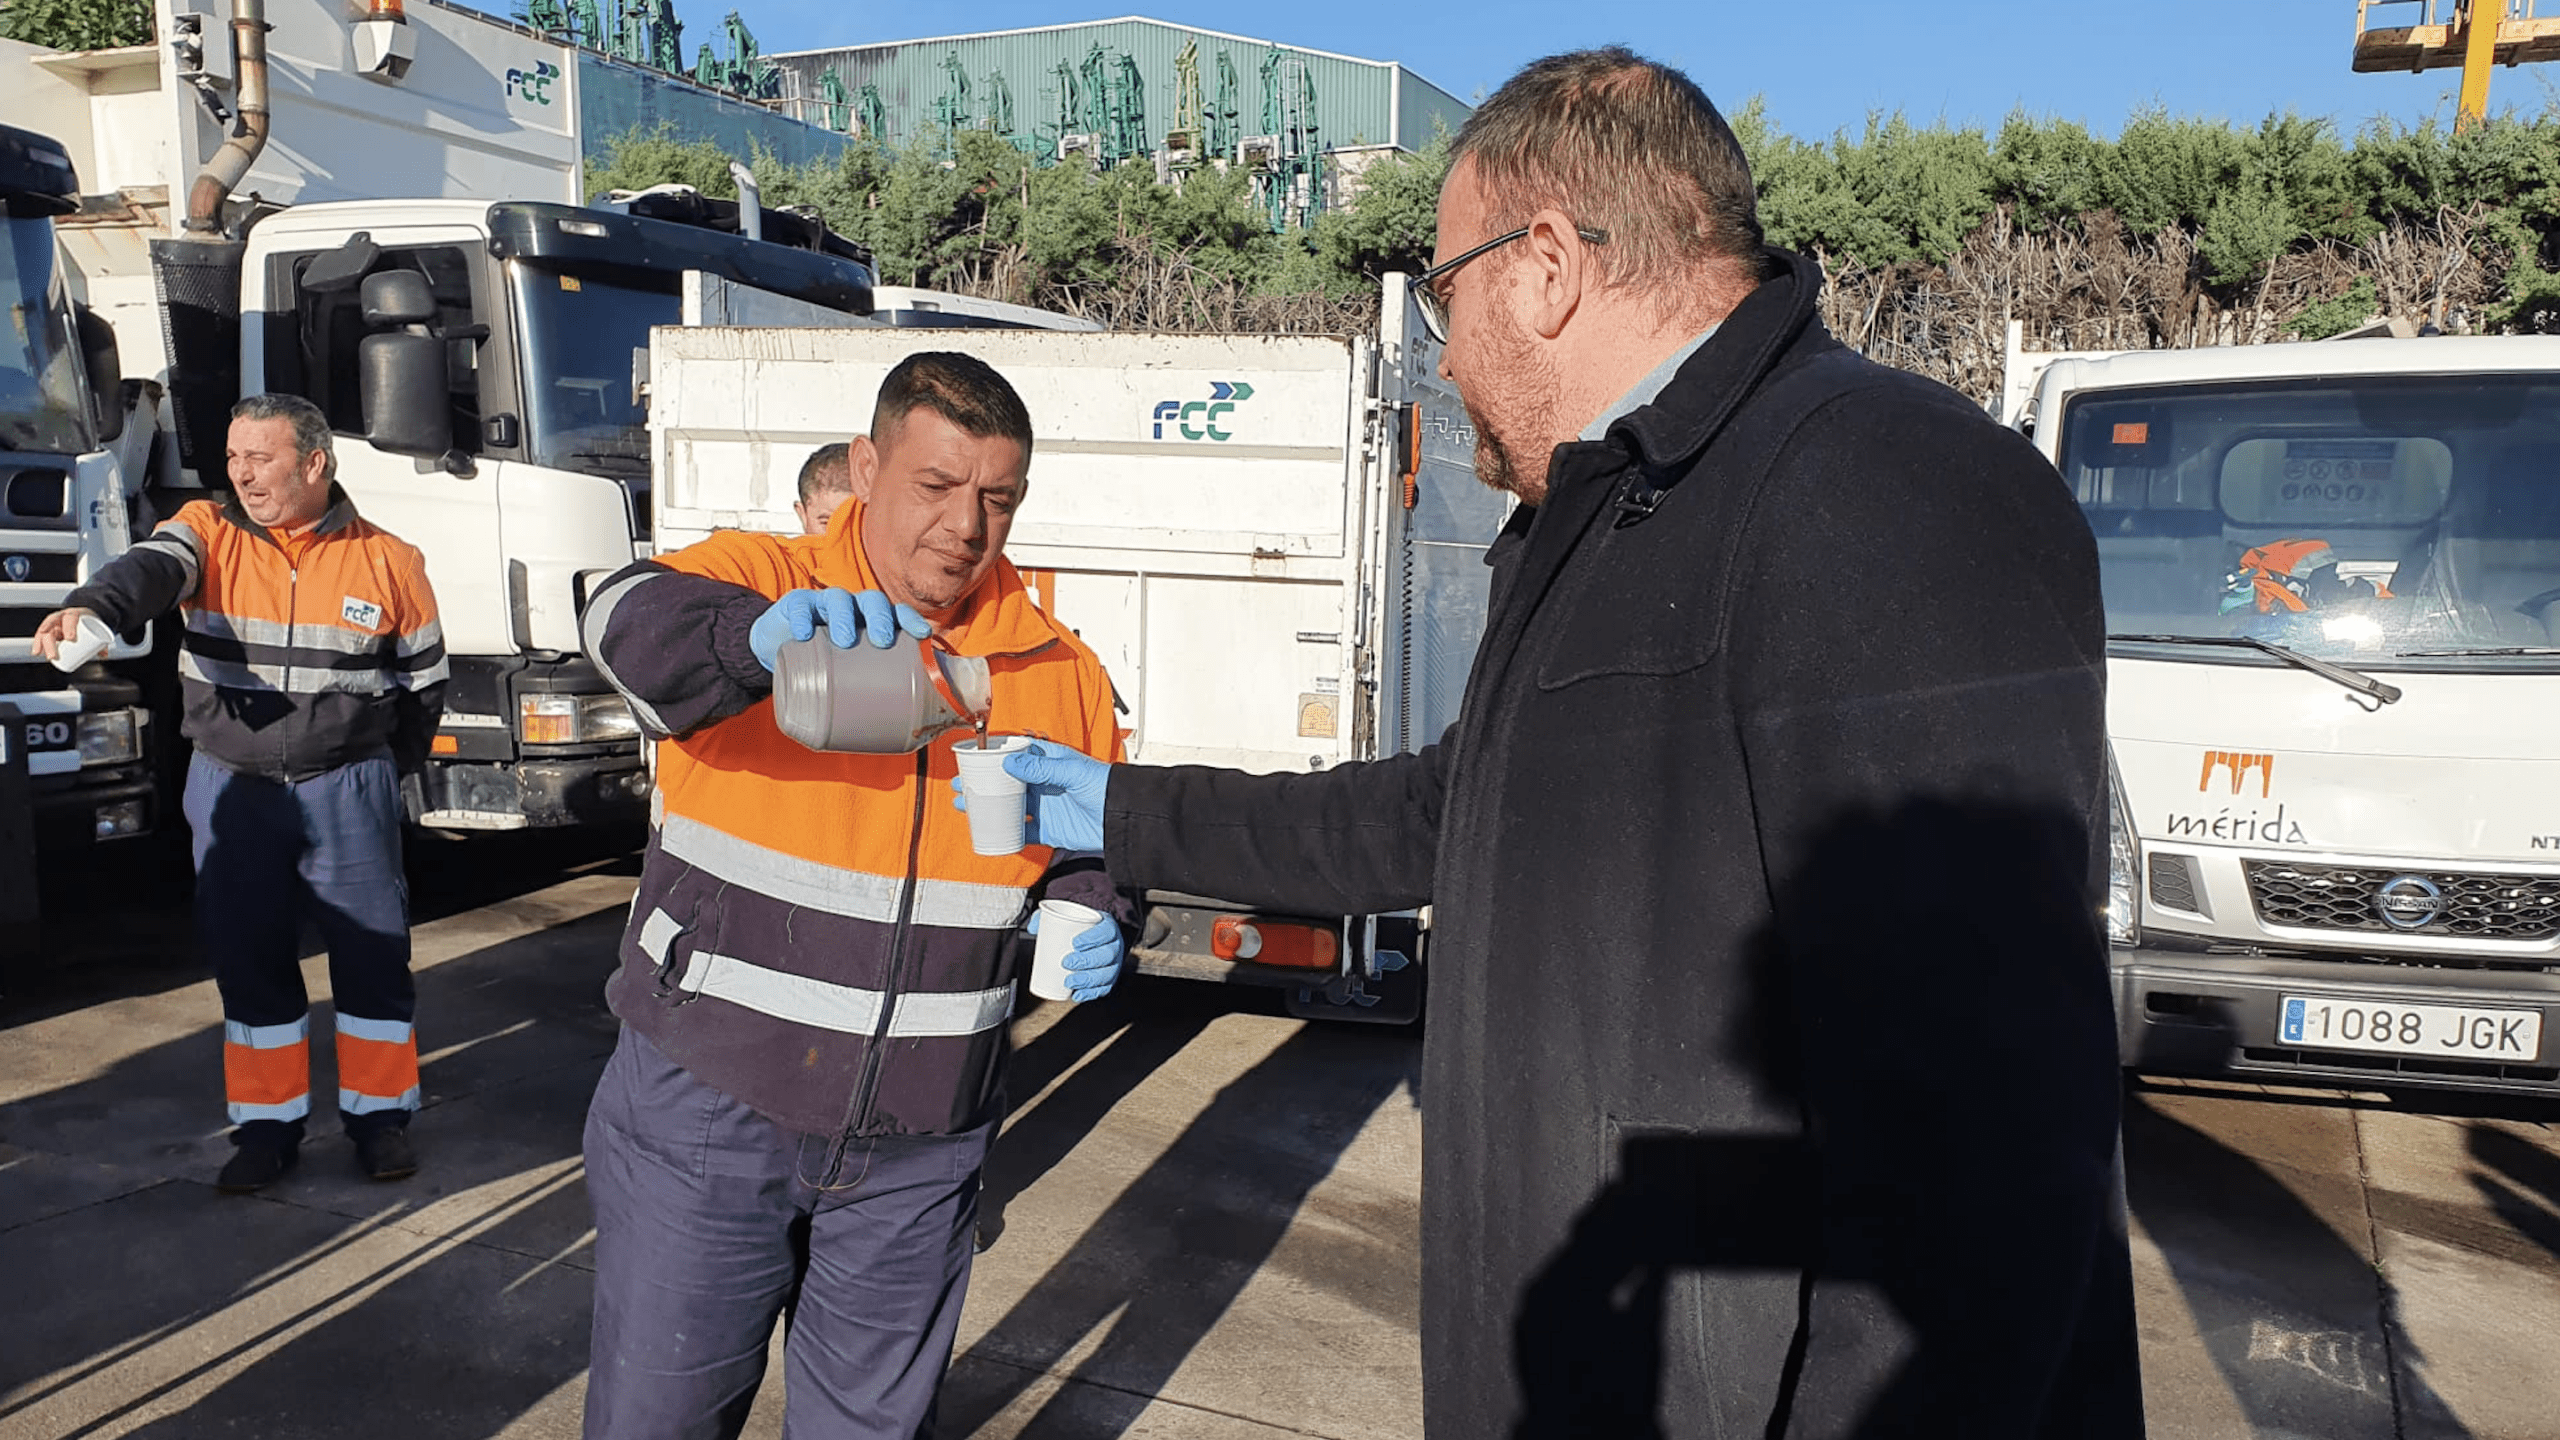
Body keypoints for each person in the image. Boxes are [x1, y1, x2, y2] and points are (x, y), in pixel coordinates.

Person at [966, 48, 2144, 1439]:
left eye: (1447, 295)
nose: (1448, 351)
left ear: (1544, 266)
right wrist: (1119, 810)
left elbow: (1987, 1141)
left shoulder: (1886, 490)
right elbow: (1432, 813)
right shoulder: (1609, 512)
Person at [575, 351, 1130, 1440]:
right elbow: (620, 622)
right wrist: (749, 646)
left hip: (922, 1146)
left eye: (997, 498)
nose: (967, 526)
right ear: (869, 468)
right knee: (657, 1419)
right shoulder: (764, 584)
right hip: (708, 1115)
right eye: (935, 485)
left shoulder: (1053, 669)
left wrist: (1096, 906)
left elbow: (1092, 844)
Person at [38, 393, 446, 1192]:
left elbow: (424, 687)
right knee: (249, 958)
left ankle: (382, 1121)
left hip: (347, 787)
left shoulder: (391, 561)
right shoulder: (209, 531)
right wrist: (93, 605)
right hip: (234, 785)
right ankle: (266, 1131)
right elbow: (153, 569)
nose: (241, 474)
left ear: (314, 463)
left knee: (371, 958)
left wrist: (378, 769)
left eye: (260, 458)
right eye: (233, 458)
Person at [795, 439, 855, 535]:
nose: (839, 538)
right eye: (827, 523)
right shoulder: (771, 549)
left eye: (856, 524)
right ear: (802, 515)